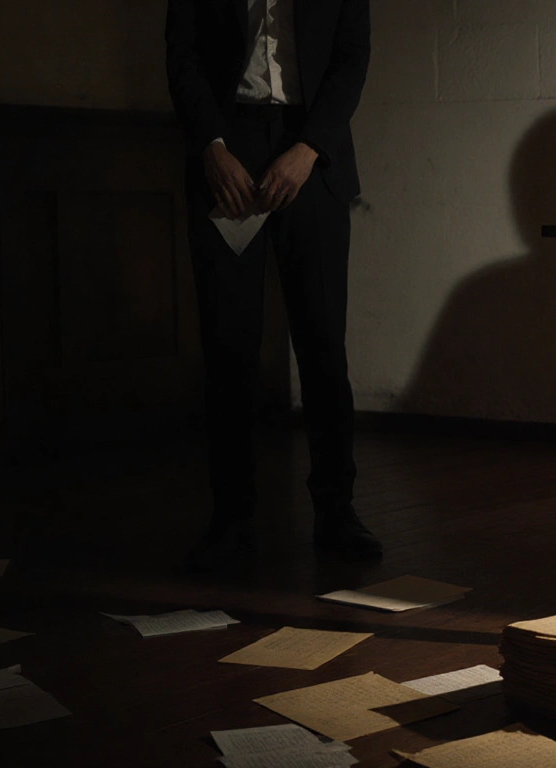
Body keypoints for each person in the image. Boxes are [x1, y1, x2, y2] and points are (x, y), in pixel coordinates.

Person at [166, 0, 381, 570]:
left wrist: (309, 149)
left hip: (310, 147)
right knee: (228, 345)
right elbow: (182, 55)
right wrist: (211, 146)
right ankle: (231, 520)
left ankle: (337, 513)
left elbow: (350, 58)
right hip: (226, 146)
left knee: (321, 344)